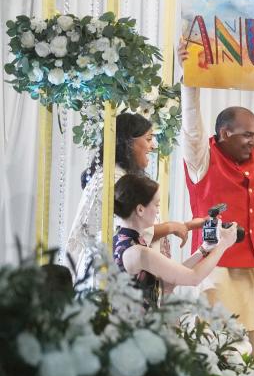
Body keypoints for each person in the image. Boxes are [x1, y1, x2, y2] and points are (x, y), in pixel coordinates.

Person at [178, 40, 254, 368]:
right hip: (215, 268)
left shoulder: (253, 153)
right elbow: (192, 126)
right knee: (217, 355)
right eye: (247, 135)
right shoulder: (201, 158)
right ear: (225, 134)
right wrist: (189, 80)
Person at [64, 112, 202, 280]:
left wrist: (184, 226)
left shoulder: (120, 176)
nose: (153, 146)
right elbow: (122, 233)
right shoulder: (110, 180)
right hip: (108, 277)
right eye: (148, 139)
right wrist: (171, 227)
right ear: (127, 143)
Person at [113, 173, 237, 309]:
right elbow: (194, 278)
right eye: (156, 204)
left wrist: (204, 249)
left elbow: (168, 281)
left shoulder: (123, 240)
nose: (158, 211)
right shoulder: (138, 252)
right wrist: (224, 244)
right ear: (140, 209)